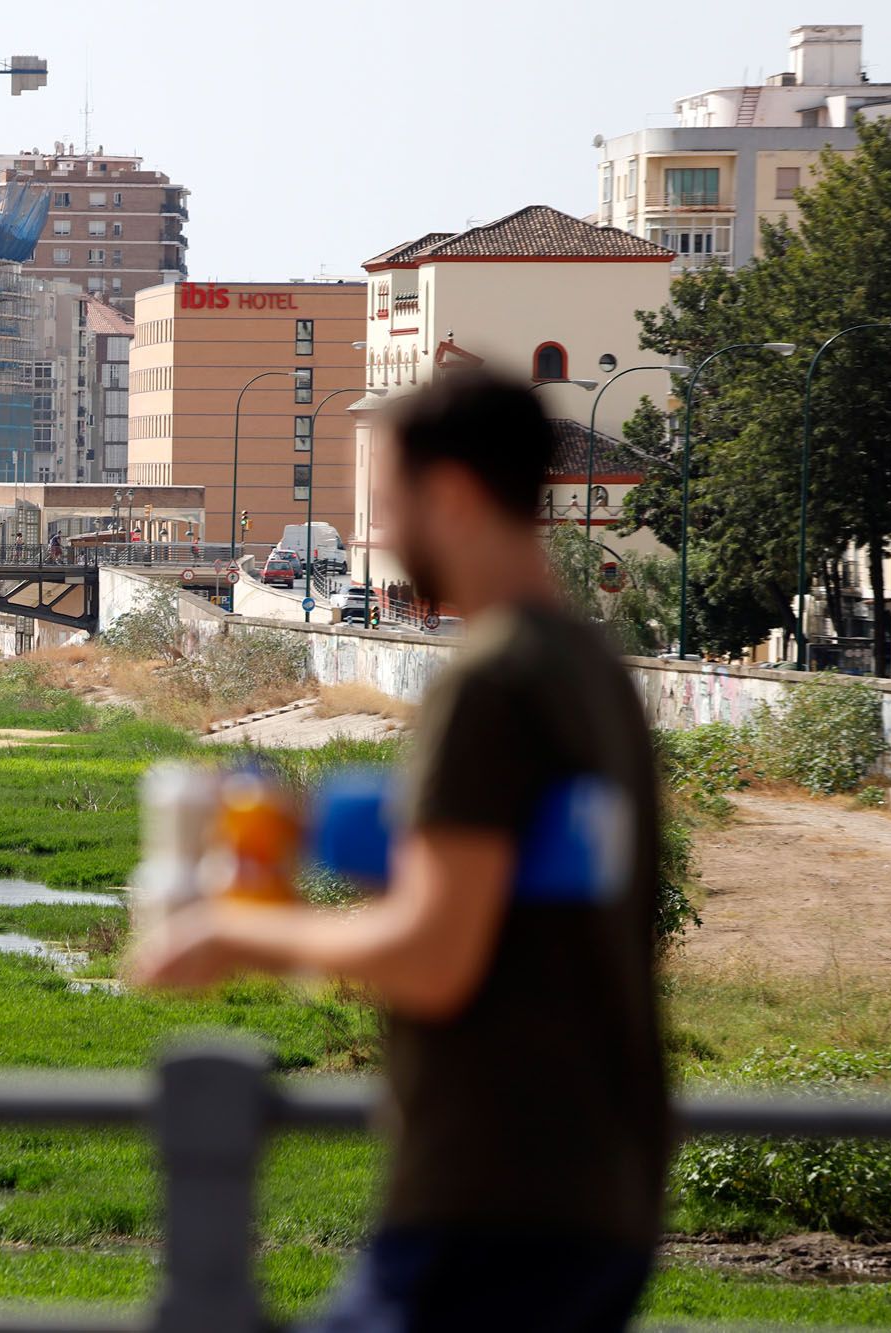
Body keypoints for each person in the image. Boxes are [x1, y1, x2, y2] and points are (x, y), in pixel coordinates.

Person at [131, 375, 667, 1332]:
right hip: (600, 1191)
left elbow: (435, 953)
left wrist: (237, 931)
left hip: (490, 1200)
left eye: (389, 504)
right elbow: (525, 887)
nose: (382, 531)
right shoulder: (596, 676)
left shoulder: (491, 683)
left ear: (451, 496)